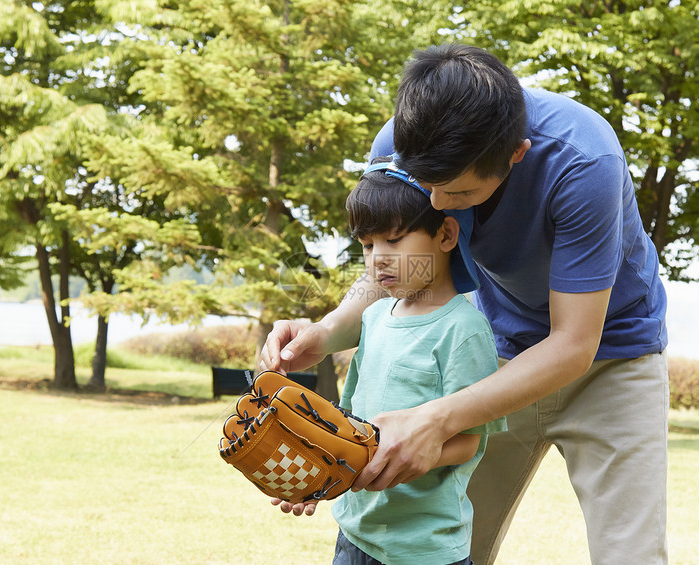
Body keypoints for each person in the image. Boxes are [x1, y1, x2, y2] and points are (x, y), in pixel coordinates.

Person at [261, 44, 669, 565]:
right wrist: (329, 330)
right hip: (492, 353)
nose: (434, 203)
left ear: (515, 155)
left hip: (614, 358)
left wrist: (437, 418)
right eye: (426, 184)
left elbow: (573, 343)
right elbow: (403, 267)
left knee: (629, 554)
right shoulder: (400, 144)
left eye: (456, 192)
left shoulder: (584, 161)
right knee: (444, 545)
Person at [274, 158, 506, 565]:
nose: (377, 258)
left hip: (426, 548)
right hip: (354, 535)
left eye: (394, 240)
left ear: (446, 234)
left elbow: (470, 441)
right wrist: (317, 471)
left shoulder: (464, 329)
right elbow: (349, 424)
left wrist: (404, 453)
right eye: (367, 245)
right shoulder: (373, 317)